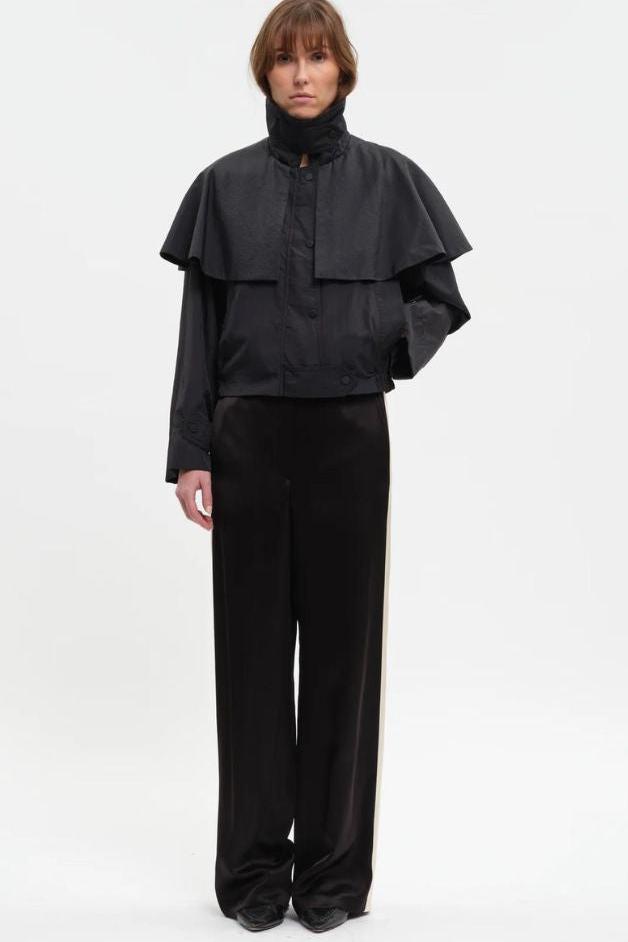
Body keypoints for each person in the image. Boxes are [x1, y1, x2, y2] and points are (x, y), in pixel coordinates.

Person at [159, 0, 472, 933]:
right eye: (286, 60)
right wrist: (190, 452)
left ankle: (333, 878)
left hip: (348, 435)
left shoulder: (390, 180)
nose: (302, 75)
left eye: (319, 58)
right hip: (248, 439)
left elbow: (440, 299)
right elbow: (199, 329)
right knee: (251, 661)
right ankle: (253, 875)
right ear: (265, 72)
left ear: (343, 71)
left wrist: (385, 342)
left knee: (344, 659)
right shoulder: (222, 187)